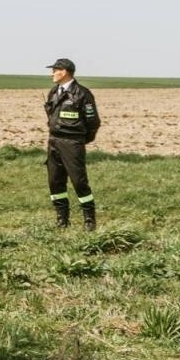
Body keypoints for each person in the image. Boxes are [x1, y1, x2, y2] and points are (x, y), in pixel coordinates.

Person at [44, 57, 100, 230]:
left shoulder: (82, 93)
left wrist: (81, 139)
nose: (52, 73)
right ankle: (62, 219)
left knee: (79, 181)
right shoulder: (54, 92)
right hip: (54, 141)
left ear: (65, 72)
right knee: (55, 181)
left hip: (72, 142)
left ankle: (89, 219)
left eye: (55, 70)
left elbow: (93, 122)